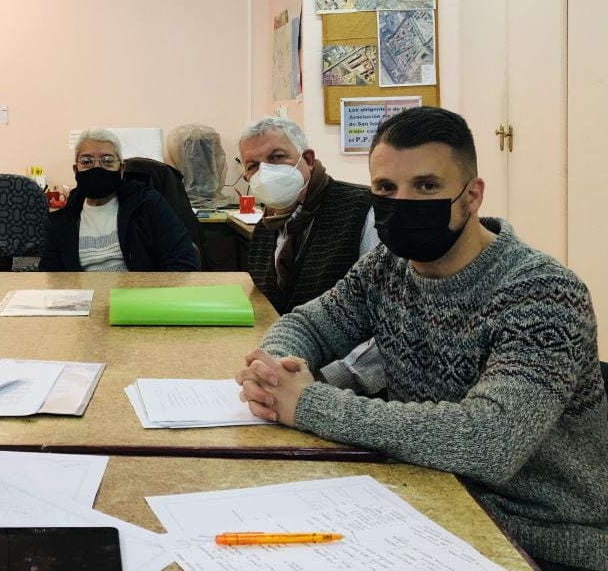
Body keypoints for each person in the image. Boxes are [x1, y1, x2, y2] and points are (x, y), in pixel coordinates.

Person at [236, 107, 607, 571]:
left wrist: (308, 403)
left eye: (427, 187)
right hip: (427, 504)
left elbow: (489, 441)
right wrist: (274, 369)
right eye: (386, 189)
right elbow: (308, 323)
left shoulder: (543, 292)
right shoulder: (385, 267)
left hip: (542, 539)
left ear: (472, 195)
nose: (403, 203)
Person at [238, 116, 382, 394]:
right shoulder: (265, 230)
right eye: (253, 166)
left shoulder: (362, 210)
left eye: (277, 157)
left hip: (348, 390)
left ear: (308, 159)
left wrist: (322, 380)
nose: (265, 172)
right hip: (284, 376)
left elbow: (390, 326)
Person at [40, 128, 197, 271]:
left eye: (107, 161)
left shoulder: (148, 204)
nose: (97, 168)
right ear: (76, 170)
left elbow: (182, 262)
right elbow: (51, 278)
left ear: (121, 169)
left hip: (139, 298)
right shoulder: (61, 221)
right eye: (87, 162)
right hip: (86, 300)